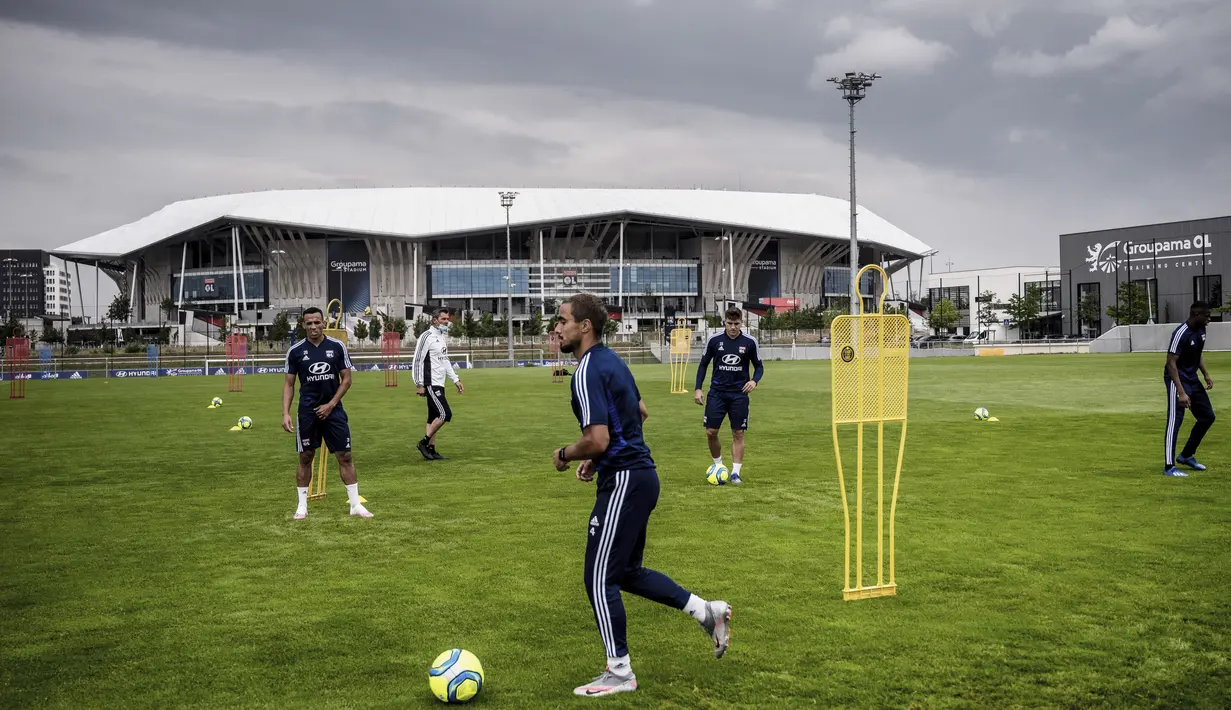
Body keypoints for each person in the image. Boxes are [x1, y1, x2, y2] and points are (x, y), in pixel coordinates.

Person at [551, 293, 731, 698]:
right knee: (625, 572)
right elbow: (640, 413)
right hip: (639, 476)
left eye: (562, 320)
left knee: (598, 579)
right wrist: (600, 458)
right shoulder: (613, 361)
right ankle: (706, 612)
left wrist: (566, 455)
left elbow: (597, 438)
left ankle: (620, 673)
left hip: (625, 481)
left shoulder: (587, 370)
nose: (556, 327)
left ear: (585, 327)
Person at [281, 306, 372, 519]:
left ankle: (355, 505)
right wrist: (285, 412)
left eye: (317, 322)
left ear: (324, 323)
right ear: (303, 325)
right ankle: (302, 506)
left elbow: (347, 380)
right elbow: (289, 384)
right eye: (309, 323)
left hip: (334, 410)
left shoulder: (337, 346)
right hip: (307, 412)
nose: (313, 326)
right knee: (306, 456)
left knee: (345, 455)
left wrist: (331, 405)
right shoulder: (295, 351)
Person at [693, 306, 764, 484]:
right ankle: (718, 466)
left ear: (742, 323)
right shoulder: (714, 340)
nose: (733, 327)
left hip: (739, 395)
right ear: (724, 322)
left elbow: (759, 367)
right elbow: (703, 364)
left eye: (736, 324)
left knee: (738, 432)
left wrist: (754, 381)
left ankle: (735, 473)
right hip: (717, 392)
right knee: (711, 432)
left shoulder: (749, 342)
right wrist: (698, 388)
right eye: (730, 323)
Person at [1164, 300, 1215, 477]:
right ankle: (1169, 466)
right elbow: (1171, 364)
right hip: (1176, 379)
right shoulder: (1181, 333)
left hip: (1192, 378)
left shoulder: (1201, 330)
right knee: (1175, 420)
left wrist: (1205, 374)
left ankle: (1186, 455)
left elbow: (1197, 354)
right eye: (1207, 316)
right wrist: (1181, 392)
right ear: (1196, 315)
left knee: (1207, 416)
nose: (1210, 319)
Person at [411, 307, 464, 460]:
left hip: (440, 382)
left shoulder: (441, 337)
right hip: (430, 382)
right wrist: (419, 384)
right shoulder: (426, 337)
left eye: (448, 319)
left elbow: (445, 360)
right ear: (435, 320)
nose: (447, 322)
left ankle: (431, 449)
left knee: (432, 416)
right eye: (443, 319)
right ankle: (423, 442)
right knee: (445, 414)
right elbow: (417, 360)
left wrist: (455, 379)